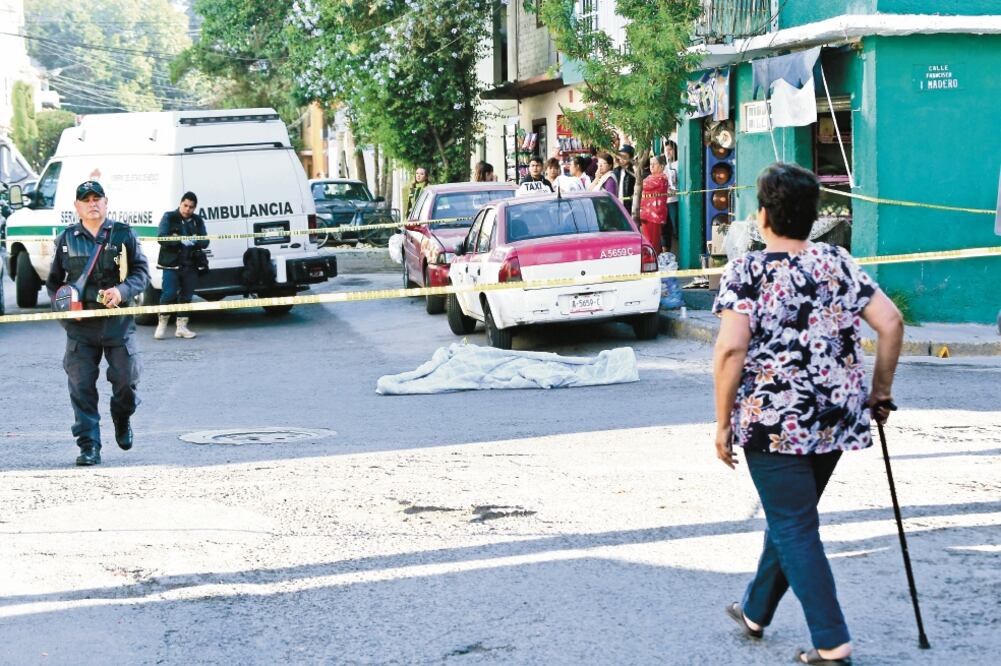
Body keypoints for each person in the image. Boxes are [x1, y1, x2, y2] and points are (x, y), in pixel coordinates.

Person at [712, 163, 904, 666]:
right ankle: (755, 610)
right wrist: (879, 393)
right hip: (835, 415)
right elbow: (891, 322)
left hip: (772, 420)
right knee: (792, 514)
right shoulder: (836, 262)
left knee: (794, 523)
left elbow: (731, 351)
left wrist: (721, 422)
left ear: (763, 218)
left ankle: (831, 641)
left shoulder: (747, 271)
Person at [45, 181, 150, 466]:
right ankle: (89, 445)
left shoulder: (123, 234)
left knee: (127, 380)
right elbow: (54, 284)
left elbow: (142, 273)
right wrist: (65, 308)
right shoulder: (66, 239)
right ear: (77, 206)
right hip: (81, 325)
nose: (92, 204)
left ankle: (122, 415)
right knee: (81, 387)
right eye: (86, 200)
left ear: (106, 202)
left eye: (97, 198)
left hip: (117, 321)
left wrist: (122, 291)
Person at [155, 192, 209, 340]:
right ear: (180, 203)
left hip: (191, 265)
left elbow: (205, 242)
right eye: (185, 205)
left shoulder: (197, 221)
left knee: (186, 296)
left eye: (191, 207)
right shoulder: (169, 217)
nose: (187, 210)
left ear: (195, 208)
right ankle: (162, 324)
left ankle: (182, 327)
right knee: (169, 294)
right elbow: (161, 238)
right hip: (171, 264)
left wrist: (195, 240)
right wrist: (179, 240)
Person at [638, 154, 669, 253]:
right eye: (650, 164)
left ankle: (654, 262)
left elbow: (642, 185)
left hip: (654, 215)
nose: (651, 166)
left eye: (654, 164)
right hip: (646, 214)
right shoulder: (650, 177)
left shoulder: (661, 178)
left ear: (662, 166)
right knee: (648, 240)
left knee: (653, 242)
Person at [664, 140, 680, 253]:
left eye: (670, 149)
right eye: (666, 150)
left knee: (676, 224)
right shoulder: (665, 166)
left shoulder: (678, 164)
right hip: (667, 199)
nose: (668, 152)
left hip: (676, 199)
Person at [613, 144, 637, 210]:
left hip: (630, 206)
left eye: (624, 156)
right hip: (618, 206)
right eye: (620, 156)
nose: (621, 158)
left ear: (631, 157)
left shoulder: (634, 172)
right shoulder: (616, 171)